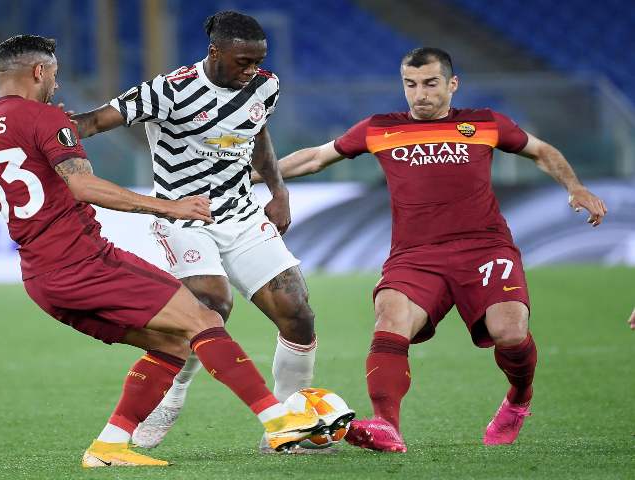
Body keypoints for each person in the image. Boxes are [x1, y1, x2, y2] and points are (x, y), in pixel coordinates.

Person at [0, 34, 326, 468]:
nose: (56, 85)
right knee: (205, 320)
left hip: (41, 281)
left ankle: (109, 446)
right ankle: (279, 421)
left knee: (173, 343)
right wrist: (169, 206)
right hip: (85, 263)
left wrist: (26, 182)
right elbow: (84, 186)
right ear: (39, 72)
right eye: (54, 76)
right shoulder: (44, 117)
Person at [253, 47, 608, 453]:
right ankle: (386, 425)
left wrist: (575, 187)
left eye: (430, 83)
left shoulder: (484, 123)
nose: (420, 94)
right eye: (411, 84)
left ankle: (518, 397)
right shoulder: (379, 128)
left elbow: (541, 151)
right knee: (390, 317)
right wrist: (249, 175)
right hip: (416, 255)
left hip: (485, 247)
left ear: (452, 84)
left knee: (510, 332)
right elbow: (316, 158)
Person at [72, 11, 318, 452]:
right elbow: (93, 121)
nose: (251, 70)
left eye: (258, 61)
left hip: (241, 213)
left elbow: (257, 133)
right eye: (243, 61)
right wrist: (42, 132)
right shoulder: (167, 90)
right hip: (183, 216)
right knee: (211, 305)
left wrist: (278, 190)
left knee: (297, 312)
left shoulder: (265, 85)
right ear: (214, 51)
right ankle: (171, 394)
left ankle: (290, 425)